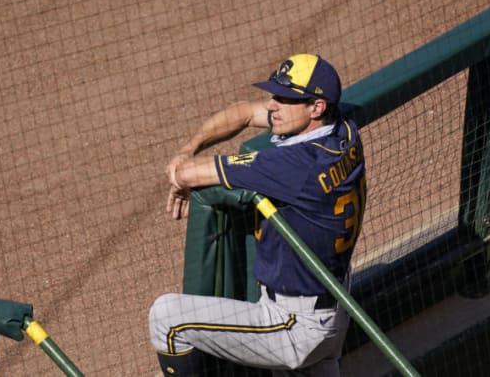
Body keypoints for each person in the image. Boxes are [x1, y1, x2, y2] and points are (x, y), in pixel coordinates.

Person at [149, 54, 367, 377]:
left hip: (293, 325)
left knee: (166, 318)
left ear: (316, 108)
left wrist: (181, 170)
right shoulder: (344, 132)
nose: (272, 105)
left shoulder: (294, 167)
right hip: (333, 307)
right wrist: (190, 145)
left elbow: (193, 174)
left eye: (285, 98)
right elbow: (246, 112)